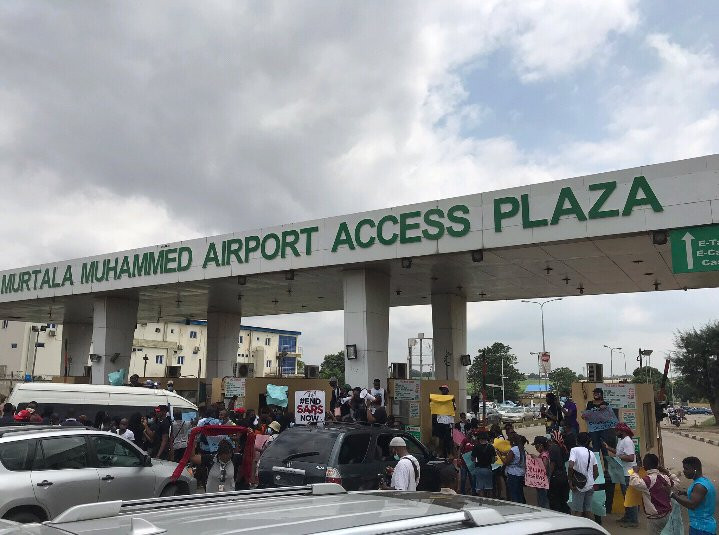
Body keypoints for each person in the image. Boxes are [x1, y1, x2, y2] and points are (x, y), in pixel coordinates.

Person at [629, 453, 676, 535]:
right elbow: (676, 482)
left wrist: (635, 472)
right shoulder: (665, 477)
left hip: (655, 517)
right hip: (667, 514)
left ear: (645, 465)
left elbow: (634, 482)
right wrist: (667, 472)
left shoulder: (649, 480)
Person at [603, 422, 638, 527]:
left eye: (617, 431)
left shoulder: (627, 441)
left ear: (622, 431)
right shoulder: (622, 440)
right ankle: (628, 517)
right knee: (626, 496)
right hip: (624, 472)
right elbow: (619, 453)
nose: (615, 433)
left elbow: (630, 457)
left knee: (629, 496)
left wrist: (618, 458)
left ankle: (633, 520)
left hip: (629, 472)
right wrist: (608, 448)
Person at [671, 456, 716, 535]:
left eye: (686, 469)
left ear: (695, 469)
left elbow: (692, 504)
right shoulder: (703, 481)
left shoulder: (699, 486)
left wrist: (673, 495)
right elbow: (699, 496)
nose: (684, 471)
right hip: (703, 526)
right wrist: (684, 492)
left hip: (701, 528)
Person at [568, 432, 599, 519]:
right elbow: (596, 473)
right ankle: (593, 529)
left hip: (578, 486)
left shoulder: (574, 450)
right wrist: (589, 481)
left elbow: (570, 465)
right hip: (590, 486)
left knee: (577, 512)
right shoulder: (591, 453)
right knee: (588, 510)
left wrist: (570, 481)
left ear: (577, 441)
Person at [581, 387, 617, 455]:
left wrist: (605, 409)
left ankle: (606, 465)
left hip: (604, 430)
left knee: (604, 448)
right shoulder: (590, 403)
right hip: (593, 430)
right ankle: (596, 465)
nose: (595, 394)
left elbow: (610, 417)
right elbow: (586, 414)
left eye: (597, 393)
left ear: (601, 394)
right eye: (594, 393)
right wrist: (584, 415)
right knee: (595, 449)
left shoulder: (606, 404)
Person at [546, 432, 570, 513]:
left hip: (556, 477)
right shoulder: (563, 447)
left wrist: (549, 477)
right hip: (563, 475)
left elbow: (552, 464)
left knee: (555, 499)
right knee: (564, 499)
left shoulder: (553, 448)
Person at [503, 432, 526, 503]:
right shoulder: (521, 448)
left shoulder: (513, 450)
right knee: (520, 492)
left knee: (514, 493)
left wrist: (500, 456)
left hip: (513, 474)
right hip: (521, 472)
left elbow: (506, 462)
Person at [472, 431, 496, 498]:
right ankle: (490, 503)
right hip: (488, 469)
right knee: (489, 488)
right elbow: (493, 460)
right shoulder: (491, 447)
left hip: (479, 469)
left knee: (481, 489)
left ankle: (482, 504)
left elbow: (472, 459)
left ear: (479, 439)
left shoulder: (476, 447)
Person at [530, 436, 550, 508]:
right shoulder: (544, 453)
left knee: (543, 500)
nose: (535, 447)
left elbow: (544, 467)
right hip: (542, 481)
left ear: (541, 445)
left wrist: (535, 458)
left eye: (536, 445)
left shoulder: (544, 455)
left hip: (543, 481)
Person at [458, 430, 476, 495]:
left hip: (471, 463)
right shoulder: (465, 440)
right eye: (469, 434)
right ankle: (463, 491)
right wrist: (458, 458)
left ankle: (473, 491)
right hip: (464, 462)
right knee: (463, 478)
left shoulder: (475, 441)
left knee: (472, 478)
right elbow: (460, 449)